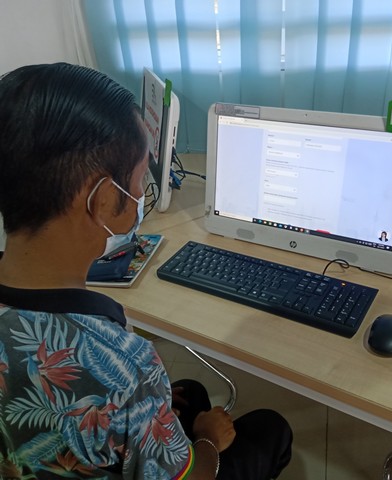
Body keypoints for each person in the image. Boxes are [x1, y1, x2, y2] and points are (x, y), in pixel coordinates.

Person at [0, 63, 292, 479]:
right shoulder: (127, 365)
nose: (140, 194)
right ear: (102, 200)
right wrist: (207, 440)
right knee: (269, 427)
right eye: (139, 179)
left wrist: (147, 407)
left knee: (190, 394)